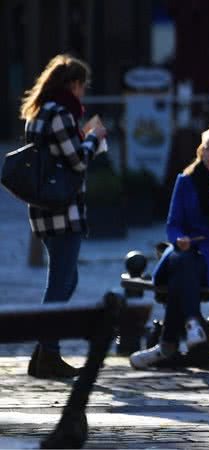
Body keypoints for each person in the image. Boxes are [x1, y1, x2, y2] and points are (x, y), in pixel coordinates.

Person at [130, 125, 209, 369]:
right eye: (207, 148)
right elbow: (173, 224)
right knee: (184, 262)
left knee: (182, 271)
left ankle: (167, 346)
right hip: (185, 251)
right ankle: (192, 324)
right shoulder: (186, 182)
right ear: (200, 151)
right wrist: (179, 240)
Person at [19, 54, 108, 379]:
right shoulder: (61, 114)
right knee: (61, 282)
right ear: (73, 84)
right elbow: (77, 161)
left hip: (44, 208)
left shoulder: (39, 113)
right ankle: (49, 353)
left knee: (66, 279)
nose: (83, 93)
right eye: (83, 86)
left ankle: (44, 350)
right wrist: (94, 140)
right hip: (62, 210)